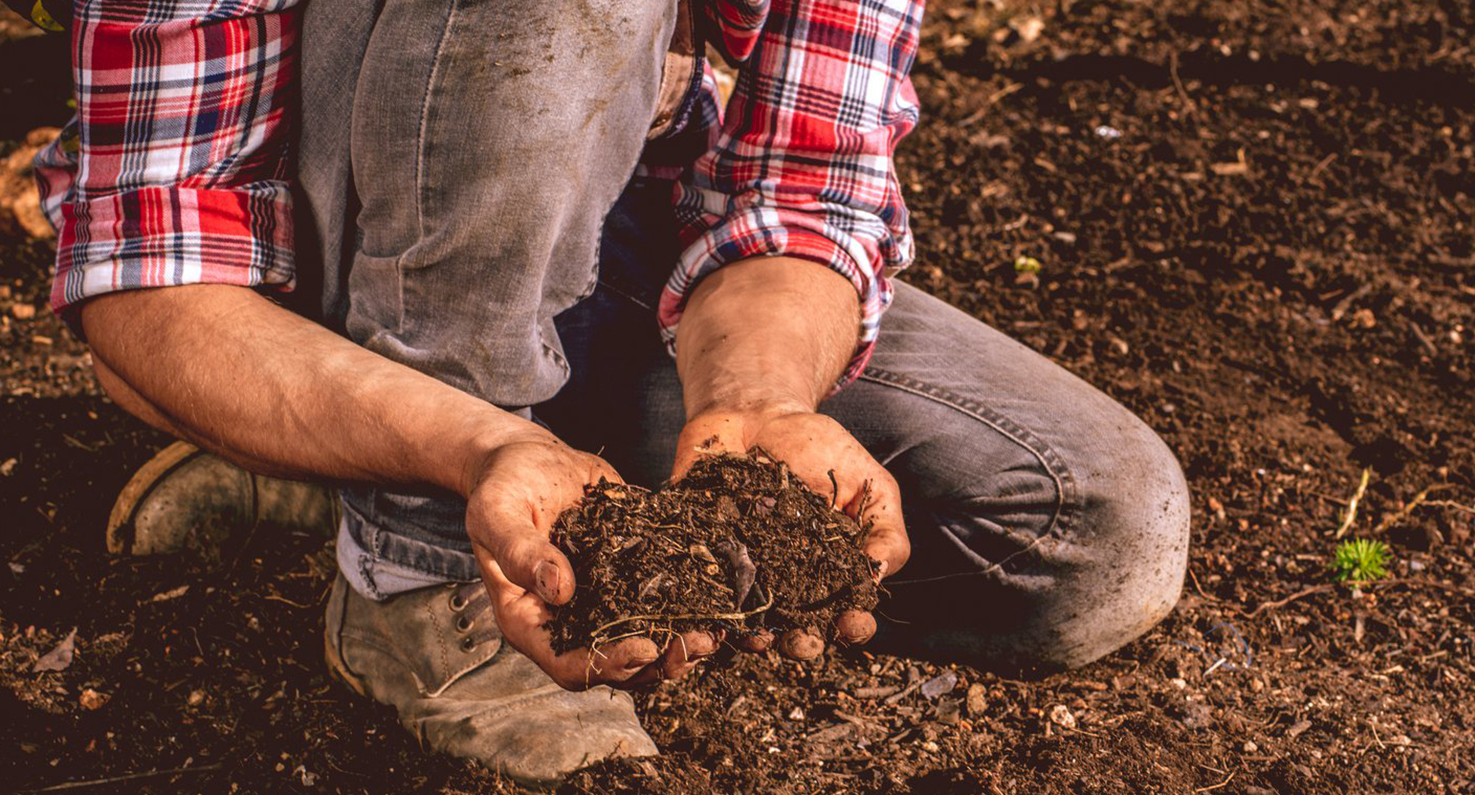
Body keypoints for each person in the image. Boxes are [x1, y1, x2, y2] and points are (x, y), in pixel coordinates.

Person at [32, 0, 1190, 781]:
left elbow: (808, 187)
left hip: (612, 240)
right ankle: (415, 565)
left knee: (1081, 533)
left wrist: (758, 406)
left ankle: (362, 466)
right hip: (310, 266)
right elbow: (151, 277)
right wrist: (468, 452)